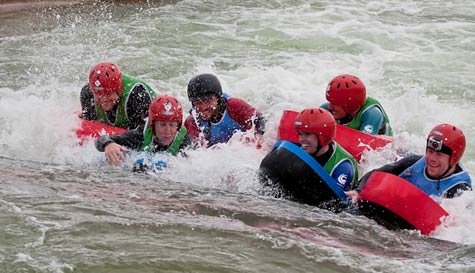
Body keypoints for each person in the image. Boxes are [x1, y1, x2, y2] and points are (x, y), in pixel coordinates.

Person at [346, 123, 472, 202]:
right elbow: (376, 173)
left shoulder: (459, 190)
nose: (432, 158)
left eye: (439, 154)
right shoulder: (414, 162)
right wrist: (358, 190)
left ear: (453, 159)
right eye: (429, 151)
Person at [95, 95, 193, 167]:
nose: (168, 131)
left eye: (172, 125)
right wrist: (108, 144)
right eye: (162, 124)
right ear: (152, 125)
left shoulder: (185, 142)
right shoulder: (140, 135)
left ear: (178, 125)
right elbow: (99, 140)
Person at [183, 73, 266, 147]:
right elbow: (196, 152)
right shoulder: (193, 122)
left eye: (207, 101)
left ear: (218, 98)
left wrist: (258, 138)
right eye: (197, 102)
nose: (203, 107)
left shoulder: (233, 106)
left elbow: (261, 119)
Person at [294, 108, 359, 191]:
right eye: (300, 134)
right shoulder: (300, 152)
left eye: (307, 134)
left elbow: (332, 200)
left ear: (323, 137)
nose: (301, 139)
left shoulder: (343, 166)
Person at [80, 62, 156, 130]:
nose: (104, 99)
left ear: (118, 90)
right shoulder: (87, 93)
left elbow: (144, 135)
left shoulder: (137, 97)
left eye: (108, 94)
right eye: (98, 94)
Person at [321, 74, 392, 136]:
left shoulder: (372, 114)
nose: (329, 107)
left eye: (335, 104)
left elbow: (365, 144)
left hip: (386, 148)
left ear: (350, 107)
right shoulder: (327, 108)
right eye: (330, 102)